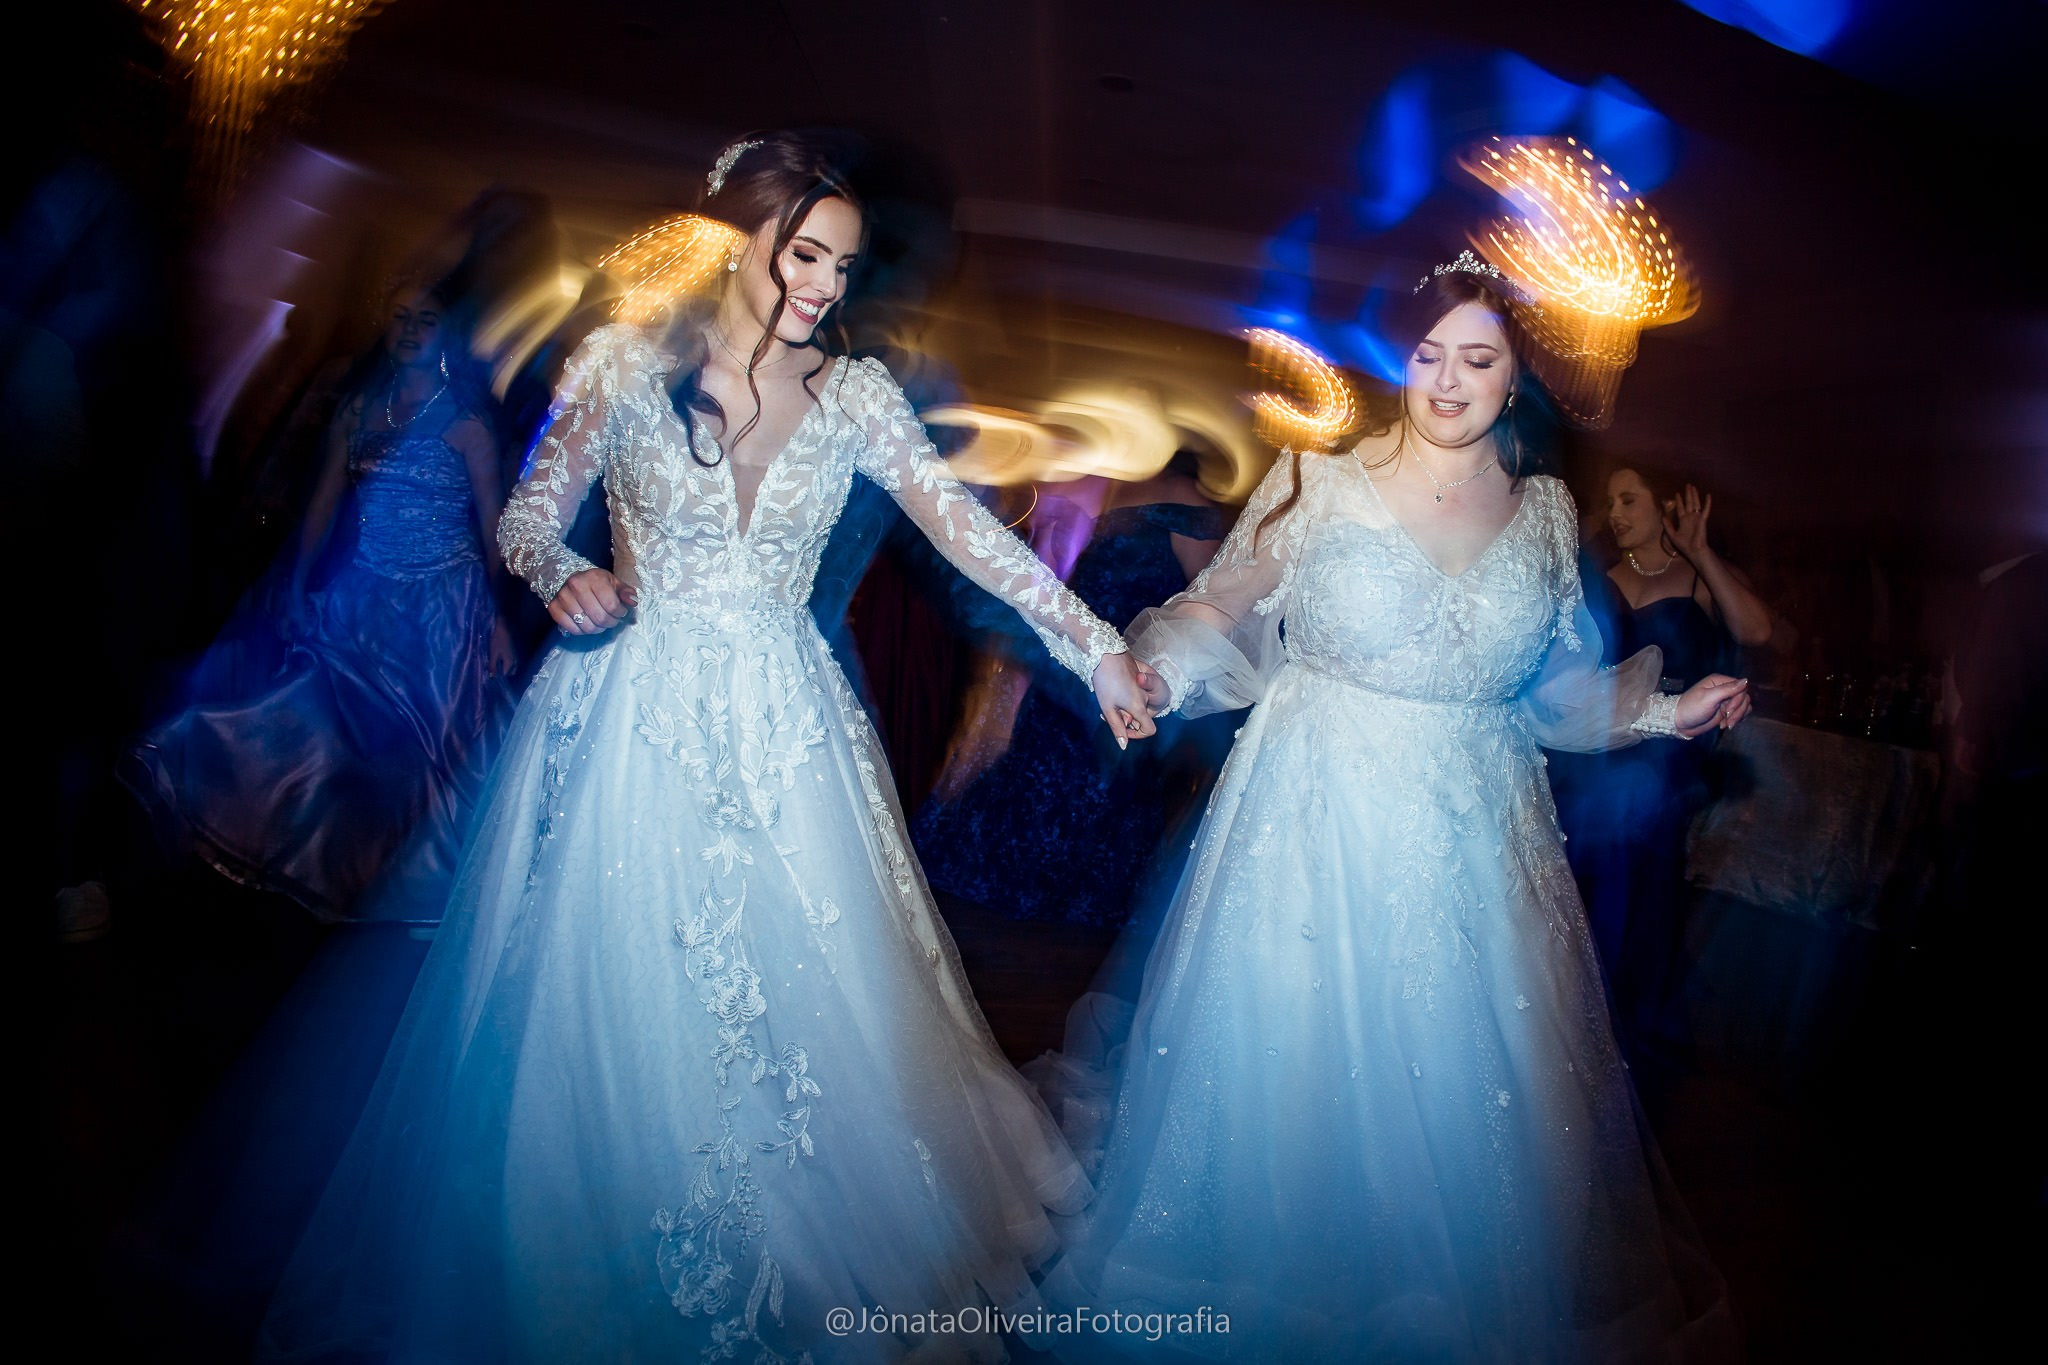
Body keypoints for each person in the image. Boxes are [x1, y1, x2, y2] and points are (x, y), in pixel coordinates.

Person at [260, 131, 1155, 1363]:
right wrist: (566, 570)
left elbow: (971, 538)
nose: (824, 287)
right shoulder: (623, 364)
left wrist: (1095, 646)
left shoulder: (853, 397)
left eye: (843, 266)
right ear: (742, 238)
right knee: (618, 986)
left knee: (801, 993)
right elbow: (525, 518)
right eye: (805, 254)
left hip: (789, 724)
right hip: (628, 713)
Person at [1037, 256, 1747, 1362]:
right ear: (1392, 362)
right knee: (1295, 1075)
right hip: (1312, 829)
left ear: (1512, 380)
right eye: (1428, 356)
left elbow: (1554, 693)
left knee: (1475, 1123)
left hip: (1480, 846)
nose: (1450, 382)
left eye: (1479, 360)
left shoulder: (1548, 516)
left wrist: (1665, 715)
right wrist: (1154, 679)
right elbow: (1214, 604)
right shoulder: (1313, 479)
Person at [125, 280, 515, 923]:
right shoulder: (359, 411)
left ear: (445, 331)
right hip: (362, 598)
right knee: (318, 727)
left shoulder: (468, 423)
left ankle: (415, 896)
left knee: (425, 756)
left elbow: (495, 525)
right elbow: (324, 503)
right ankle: (332, 869)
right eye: (398, 317)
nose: (411, 328)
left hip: (444, 608)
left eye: (425, 318)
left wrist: (497, 615)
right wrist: (302, 583)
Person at [915, 452, 1236, 927]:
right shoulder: (1116, 486)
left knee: (1101, 785)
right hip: (1078, 665)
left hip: (1132, 668)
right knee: (1040, 769)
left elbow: (1202, 599)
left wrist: (1165, 669)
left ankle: (1072, 905)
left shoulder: (1184, 500)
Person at [1547, 463, 1777, 1052]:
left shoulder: (1700, 579)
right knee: (1582, 875)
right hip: (1595, 752)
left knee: (1643, 882)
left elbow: (1755, 631)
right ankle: (1573, 1016)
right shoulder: (1599, 576)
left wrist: (1701, 553)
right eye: (1611, 502)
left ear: (1666, 508)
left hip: (1666, 757)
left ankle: (1629, 1016)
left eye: (1629, 500)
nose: (1616, 514)